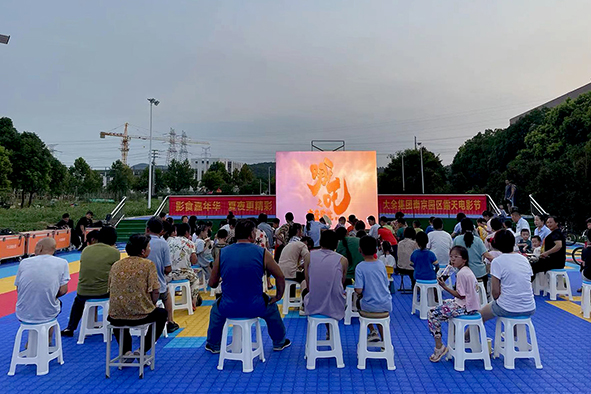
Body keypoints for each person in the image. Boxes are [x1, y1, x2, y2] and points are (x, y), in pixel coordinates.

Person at [205, 219, 291, 353]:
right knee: (272, 308)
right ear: (251, 235)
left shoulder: (223, 253)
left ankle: (214, 345)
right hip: (256, 305)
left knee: (215, 311)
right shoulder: (262, 253)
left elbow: (212, 283)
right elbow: (280, 276)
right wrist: (278, 296)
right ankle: (279, 342)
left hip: (228, 306)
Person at [107, 234, 168, 357]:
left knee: (119, 315)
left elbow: (110, 288)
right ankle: (142, 349)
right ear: (142, 251)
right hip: (141, 314)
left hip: (115, 314)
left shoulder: (116, 265)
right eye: (149, 247)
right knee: (162, 314)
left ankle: (126, 351)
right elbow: (156, 290)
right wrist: (152, 303)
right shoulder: (148, 265)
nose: (150, 249)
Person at [61, 226, 120, 337]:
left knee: (78, 302)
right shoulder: (114, 252)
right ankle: (117, 323)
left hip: (82, 291)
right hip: (103, 292)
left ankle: (70, 327)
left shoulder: (86, 250)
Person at [427, 245, 480, 362]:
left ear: (464, 259)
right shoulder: (467, 271)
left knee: (432, 313)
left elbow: (460, 295)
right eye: (451, 257)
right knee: (445, 303)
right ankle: (453, 338)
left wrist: (444, 287)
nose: (453, 260)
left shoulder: (461, 274)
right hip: (471, 306)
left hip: (465, 307)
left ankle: (439, 346)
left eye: (456, 257)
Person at [480, 229, 535, 322]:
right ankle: (513, 335)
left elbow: (495, 292)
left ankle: (468, 336)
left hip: (508, 307)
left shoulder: (497, 261)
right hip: (530, 307)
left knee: (480, 316)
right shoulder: (523, 259)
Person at [15, 238, 70, 324]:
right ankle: (48, 336)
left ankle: (33, 335)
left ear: (40, 248)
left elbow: (18, 288)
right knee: (53, 307)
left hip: (22, 313)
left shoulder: (24, 262)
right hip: (48, 313)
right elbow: (63, 290)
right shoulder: (62, 263)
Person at [354, 236, 392, 341]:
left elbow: (359, 290)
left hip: (369, 306)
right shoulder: (381, 264)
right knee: (380, 316)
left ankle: (372, 330)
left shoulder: (360, 267)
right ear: (376, 250)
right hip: (386, 304)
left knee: (358, 302)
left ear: (360, 250)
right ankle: (385, 342)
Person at [304, 230, 348, 321]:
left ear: (320, 241)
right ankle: (330, 331)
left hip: (313, 304)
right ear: (336, 244)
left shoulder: (309, 256)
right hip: (335, 305)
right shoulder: (343, 260)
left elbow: (308, 283)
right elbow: (341, 282)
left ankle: (328, 331)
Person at [145, 217, 178, 333]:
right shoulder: (163, 243)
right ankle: (170, 321)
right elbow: (168, 268)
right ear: (161, 231)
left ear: (147, 229)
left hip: (139, 290)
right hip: (157, 289)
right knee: (166, 294)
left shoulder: (142, 241)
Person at [453, 218, 495, 291]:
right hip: (479, 274)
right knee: (482, 297)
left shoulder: (457, 239)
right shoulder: (478, 240)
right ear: (473, 227)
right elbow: (488, 256)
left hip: (462, 274)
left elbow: (452, 256)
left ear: (462, 227)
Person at [167, 223, 202, 310]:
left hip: (169, 273)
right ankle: (193, 302)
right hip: (182, 272)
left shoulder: (169, 241)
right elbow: (194, 261)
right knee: (195, 279)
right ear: (187, 232)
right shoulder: (189, 243)